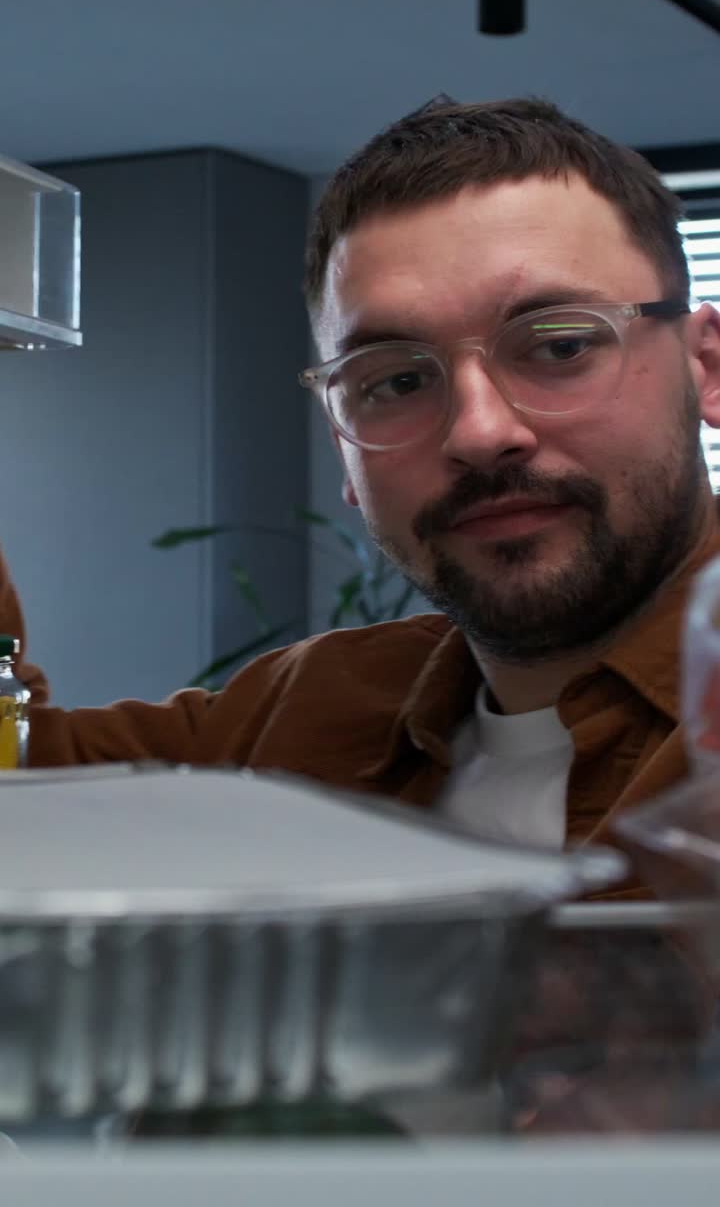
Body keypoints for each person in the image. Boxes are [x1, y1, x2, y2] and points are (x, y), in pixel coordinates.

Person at [6, 97, 720, 889]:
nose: (479, 433)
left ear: (706, 370)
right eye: (398, 381)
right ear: (344, 444)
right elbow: (21, 778)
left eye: (558, 346)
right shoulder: (299, 714)